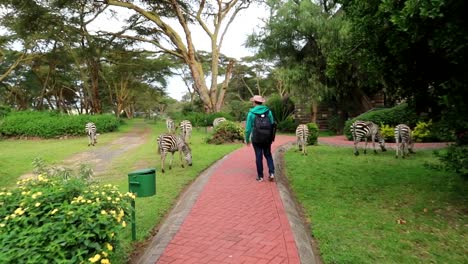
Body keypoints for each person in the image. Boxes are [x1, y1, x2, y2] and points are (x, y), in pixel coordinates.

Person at [245, 95, 276, 182]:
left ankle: (260, 176)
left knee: (258, 156)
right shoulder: (268, 112)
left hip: (256, 138)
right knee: (268, 155)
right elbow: (272, 124)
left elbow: (248, 129)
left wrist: (247, 140)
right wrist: (271, 137)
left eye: (253, 102)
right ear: (262, 102)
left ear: (254, 102)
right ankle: (272, 173)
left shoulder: (251, 113)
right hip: (267, 138)